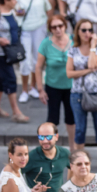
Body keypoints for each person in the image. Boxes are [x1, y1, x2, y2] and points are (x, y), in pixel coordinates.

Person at [67, 19, 97, 171]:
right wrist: (87, 71)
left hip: (96, 92)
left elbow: (94, 64)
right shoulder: (73, 49)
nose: (87, 33)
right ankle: (79, 160)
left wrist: (92, 47)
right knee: (80, 129)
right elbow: (69, 73)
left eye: (90, 30)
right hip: (78, 94)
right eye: (83, 30)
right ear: (78, 32)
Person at [15, 0, 52, 103]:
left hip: (40, 27)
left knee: (37, 59)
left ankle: (33, 87)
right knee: (25, 61)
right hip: (24, 28)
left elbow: (47, 7)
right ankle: (24, 89)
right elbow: (15, 10)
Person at [37, 15, 76, 147]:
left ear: (65, 26)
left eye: (60, 26)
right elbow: (38, 67)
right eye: (54, 27)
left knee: (71, 119)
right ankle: (50, 147)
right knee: (52, 118)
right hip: (53, 86)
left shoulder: (74, 40)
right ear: (50, 29)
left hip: (71, 86)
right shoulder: (46, 44)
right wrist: (40, 89)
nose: (58, 29)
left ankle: (72, 148)